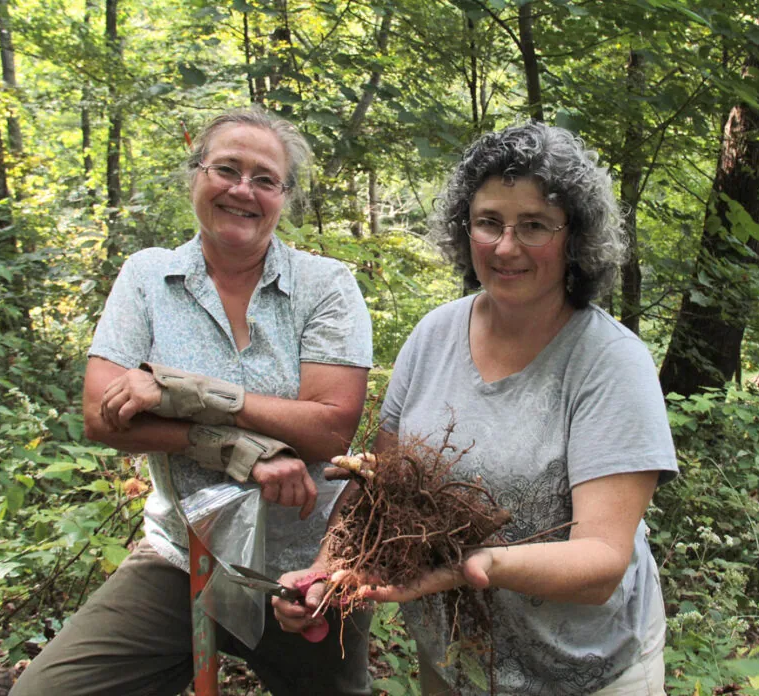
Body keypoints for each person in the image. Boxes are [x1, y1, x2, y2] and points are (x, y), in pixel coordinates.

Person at [275, 122, 678, 695]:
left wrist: (477, 564)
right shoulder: (435, 334)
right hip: (456, 663)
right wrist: (326, 573)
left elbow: (601, 565)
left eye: (534, 225)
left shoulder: (608, 361)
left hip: (586, 672)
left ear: (575, 238)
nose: (506, 246)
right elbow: (383, 488)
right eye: (488, 222)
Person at [11, 107, 373, 696]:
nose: (242, 190)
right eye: (225, 169)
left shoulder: (324, 285)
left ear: (284, 196)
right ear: (195, 175)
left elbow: (330, 430)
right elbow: (103, 415)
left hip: (306, 565)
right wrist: (229, 445)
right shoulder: (148, 277)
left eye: (264, 179)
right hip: (183, 555)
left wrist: (187, 391)